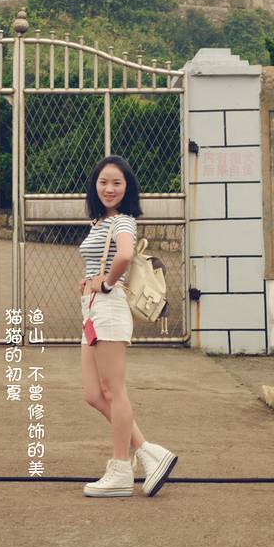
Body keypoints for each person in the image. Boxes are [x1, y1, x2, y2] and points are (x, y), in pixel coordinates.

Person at [79, 154, 178, 498]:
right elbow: (104, 259)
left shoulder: (123, 221)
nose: (109, 188)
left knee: (114, 391)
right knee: (93, 394)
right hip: (93, 311)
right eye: (103, 182)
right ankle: (149, 452)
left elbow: (123, 255)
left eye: (117, 183)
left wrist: (105, 283)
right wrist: (90, 282)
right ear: (95, 184)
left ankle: (121, 469)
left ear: (127, 187)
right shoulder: (100, 221)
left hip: (108, 308)